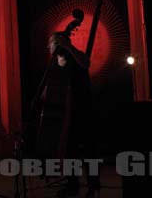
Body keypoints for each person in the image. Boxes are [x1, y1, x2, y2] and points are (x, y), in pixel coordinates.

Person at [45, 32, 100, 198]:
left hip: (83, 109)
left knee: (89, 150)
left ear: (60, 43)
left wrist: (68, 46)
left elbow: (86, 62)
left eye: (52, 43)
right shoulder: (57, 63)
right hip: (67, 112)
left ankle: (93, 186)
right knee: (70, 150)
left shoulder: (76, 56)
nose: (50, 47)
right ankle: (72, 185)